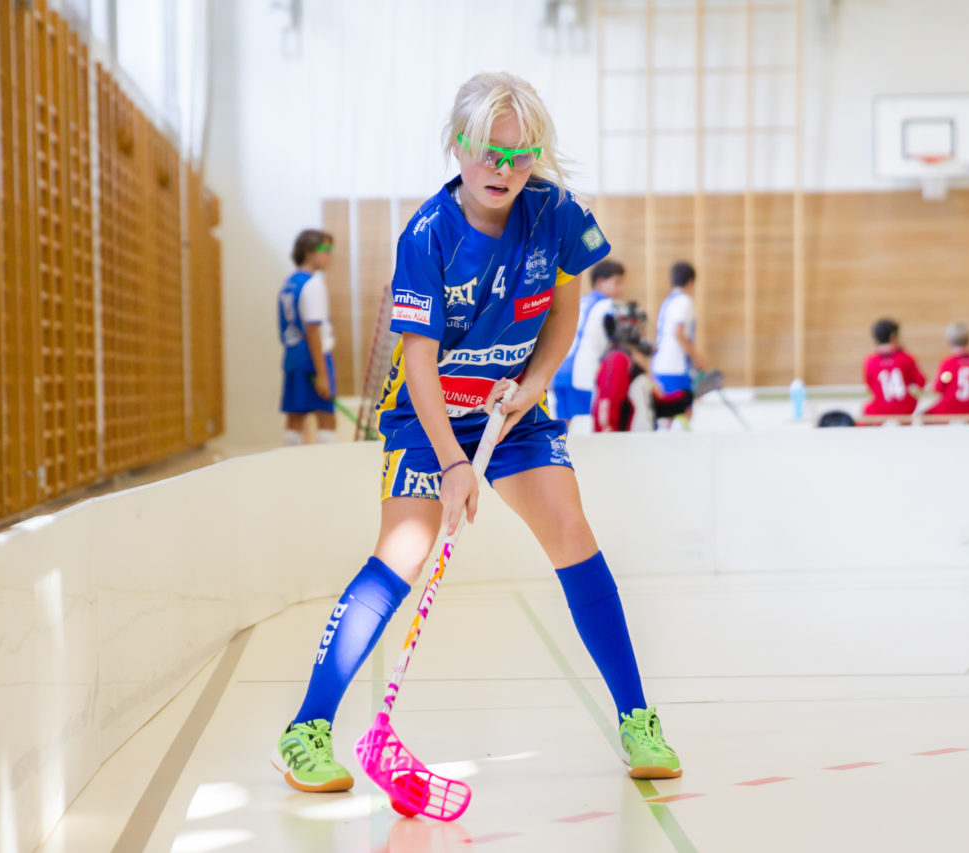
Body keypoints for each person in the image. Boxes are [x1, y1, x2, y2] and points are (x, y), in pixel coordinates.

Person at [275, 72, 682, 794]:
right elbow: (420, 365)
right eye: (491, 153)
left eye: (523, 156)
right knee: (403, 551)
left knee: (570, 528)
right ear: (458, 145)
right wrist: (454, 462)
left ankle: (637, 717)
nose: (505, 170)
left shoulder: (554, 212)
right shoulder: (427, 237)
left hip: (511, 409)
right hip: (429, 414)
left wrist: (535, 384)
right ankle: (306, 727)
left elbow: (567, 303)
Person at [550, 260, 625, 433]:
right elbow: (619, 342)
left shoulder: (581, 301)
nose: (620, 289)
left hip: (561, 373)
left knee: (564, 431)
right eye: (616, 283)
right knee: (587, 431)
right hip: (584, 375)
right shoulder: (609, 306)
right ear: (600, 281)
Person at [278, 230, 337, 445]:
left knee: (295, 417)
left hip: (293, 357)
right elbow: (313, 330)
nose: (330, 255)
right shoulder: (312, 284)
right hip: (314, 358)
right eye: (325, 249)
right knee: (327, 419)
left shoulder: (289, 283)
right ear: (308, 251)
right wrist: (322, 374)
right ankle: (326, 469)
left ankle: (290, 466)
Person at [651, 261, 702, 428]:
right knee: (684, 411)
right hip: (675, 366)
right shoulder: (684, 301)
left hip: (660, 364)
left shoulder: (668, 302)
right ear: (691, 283)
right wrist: (696, 357)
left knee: (667, 413)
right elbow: (678, 332)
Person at [592, 302, 651, 432]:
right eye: (641, 327)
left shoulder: (630, 358)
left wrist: (683, 398)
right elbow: (607, 405)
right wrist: (608, 439)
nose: (644, 333)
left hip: (638, 442)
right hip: (623, 444)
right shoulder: (617, 360)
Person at [861, 318, 925, 421]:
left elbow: (869, 387)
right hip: (906, 410)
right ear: (893, 336)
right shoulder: (906, 357)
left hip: (878, 411)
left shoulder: (870, 361)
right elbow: (921, 383)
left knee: (863, 411)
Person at [925, 322, 969, 421]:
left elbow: (939, 388)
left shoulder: (948, 364)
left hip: (949, 409)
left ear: (950, 342)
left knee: (926, 414)